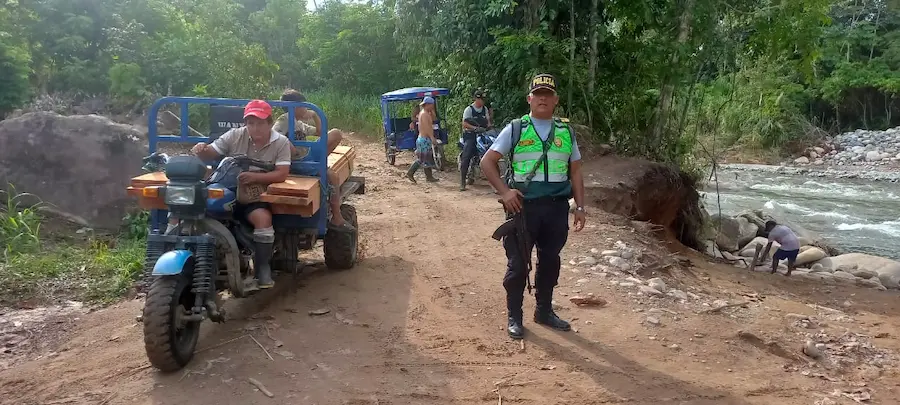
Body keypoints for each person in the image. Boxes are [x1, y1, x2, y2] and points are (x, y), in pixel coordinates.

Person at [480, 74, 587, 339]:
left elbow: (575, 172)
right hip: (523, 209)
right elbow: (487, 162)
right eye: (538, 93)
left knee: (550, 261)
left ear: (555, 100)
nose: (543, 98)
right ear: (529, 98)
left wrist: (581, 207)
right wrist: (505, 193)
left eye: (548, 94)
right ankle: (514, 316)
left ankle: (544, 311)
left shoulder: (566, 132)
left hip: (557, 208)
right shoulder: (516, 128)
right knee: (518, 264)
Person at [190, 100, 291, 289]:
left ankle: (262, 268)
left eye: (260, 123)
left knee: (263, 219)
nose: (255, 128)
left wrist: (255, 177)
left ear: (269, 123)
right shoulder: (235, 135)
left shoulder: (281, 142)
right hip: (226, 187)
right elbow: (210, 153)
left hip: (254, 192)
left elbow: (282, 173)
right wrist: (201, 149)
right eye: (251, 123)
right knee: (197, 210)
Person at [273, 89, 355, 233]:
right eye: (304, 105)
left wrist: (315, 116)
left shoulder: (298, 123)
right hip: (298, 162)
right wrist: (287, 144)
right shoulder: (285, 119)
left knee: (335, 133)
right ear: (295, 106)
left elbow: (320, 132)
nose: (306, 108)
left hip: (307, 155)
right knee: (333, 176)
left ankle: (320, 164)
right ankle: (337, 217)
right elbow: (274, 135)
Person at [459, 88, 492, 191]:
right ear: (476, 99)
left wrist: (490, 126)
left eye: (483, 99)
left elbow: (488, 121)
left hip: (482, 134)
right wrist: (475, 128)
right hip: (470, 135)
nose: (482, 101)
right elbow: (464, 123)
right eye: (480, 99)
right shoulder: (469, 109)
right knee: (467, 156)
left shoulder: (485, 109)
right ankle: (462, 182)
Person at [406, 96, 441, 183]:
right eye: (432, 105)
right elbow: (427, 127)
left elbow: (434, 119)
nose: (433, 107)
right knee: (422, 159)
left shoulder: (425, 113)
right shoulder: (424, 114)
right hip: (424, 139)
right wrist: (432, 137)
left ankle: (429, 177)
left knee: (427, 158)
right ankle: (410, 172)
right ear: (428, 104)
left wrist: (432, 112)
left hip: (424, 138)